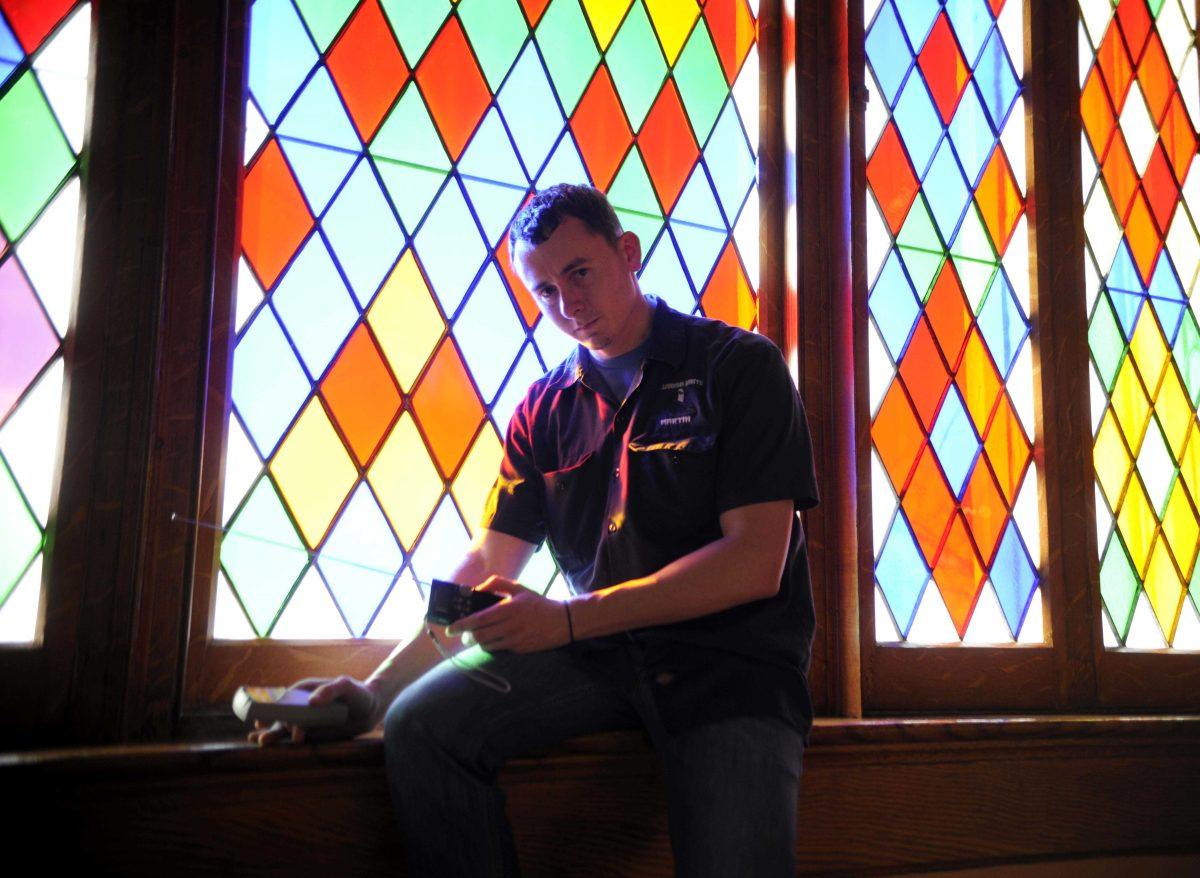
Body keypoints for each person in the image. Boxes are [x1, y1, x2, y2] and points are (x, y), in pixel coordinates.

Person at [249, 184, 819, 877]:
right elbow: (489, 562)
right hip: (602, 657)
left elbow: (755, 562)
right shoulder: (543, 408)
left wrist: (571, 620)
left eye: (579, 272)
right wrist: (374, 691)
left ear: (628, 255)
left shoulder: (739, 367)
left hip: (732, 670)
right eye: (544, 291)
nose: (568, 305)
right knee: (419, 724)